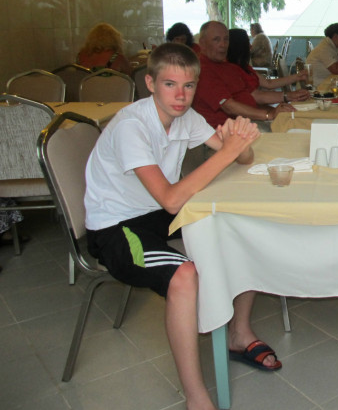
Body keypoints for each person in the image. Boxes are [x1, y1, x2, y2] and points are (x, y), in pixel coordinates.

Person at [84, 43, 280, 410]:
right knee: (184, 276)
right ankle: (196, 397)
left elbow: (241, 158)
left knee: (243, 229)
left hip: (153, 214)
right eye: (170, 84)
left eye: (188, 86)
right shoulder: (131, 127)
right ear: (150, 83)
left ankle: (238, 333)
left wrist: (239, 140)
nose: (180, 95)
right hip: (115, 227)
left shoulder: (185, 117)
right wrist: (228, 151)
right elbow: (171, 199)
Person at [193, 21, 305, 127]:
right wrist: (269, 115)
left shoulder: (230, 67)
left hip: (250, 121)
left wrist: (288, 97)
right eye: (216, 40)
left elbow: (255, 95)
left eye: (226, 39)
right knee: (295, 127)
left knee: (299, 121)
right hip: (229, 130)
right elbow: (229, 106)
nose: (223, 44)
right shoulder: (203, 70)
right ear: (202, 43)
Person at [228, 28, 309, 94]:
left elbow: (268, 83)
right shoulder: (232, 72)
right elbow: (258, 96)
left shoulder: (245, 68)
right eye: (247, 42)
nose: (251, 46)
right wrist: (288, 96)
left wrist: (297, 77)